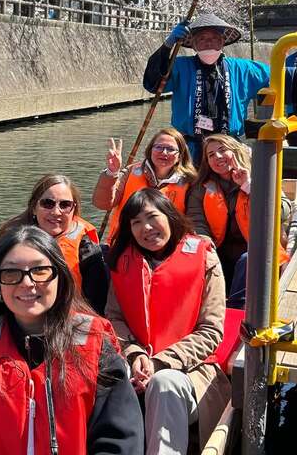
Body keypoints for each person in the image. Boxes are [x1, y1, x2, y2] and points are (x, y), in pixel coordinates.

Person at [0, 225, 144, 455]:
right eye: (11, 273)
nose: (27, 283)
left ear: (60, 276)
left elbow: (120, 440)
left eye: (40, 270)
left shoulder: (98, 346)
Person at [105, 191, 230, 455]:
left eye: (152, 217)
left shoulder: (204, 257)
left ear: (170, 216)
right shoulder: (123, 262)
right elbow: (113, 319)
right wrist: (135, 354)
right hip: (136, 366)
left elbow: (212, 330)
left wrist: (159, 362)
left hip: (191, 373)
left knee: (164, 383)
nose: (146, 228)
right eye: (136, 222)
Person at [143, 13, 270, 163]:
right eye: (202, 39)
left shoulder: (243, 68)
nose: (208, 43)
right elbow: (153, 83)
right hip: (189, 149)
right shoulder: (180, 66)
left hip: (229, 147)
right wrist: (167, 45)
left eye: (214, 38)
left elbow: (279, 77)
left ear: (223, 42)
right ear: (194, 44)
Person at [0, 173, 109, 313]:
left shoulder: (87, 250)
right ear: (33, 207)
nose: (56, 212)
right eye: (48, 203)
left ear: (73, 209)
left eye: (65, 205)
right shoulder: (9, 239)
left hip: (69, 325)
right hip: (15, 321)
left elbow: (97, 305)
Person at [186, 135, 289, 309]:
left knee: (248, 260)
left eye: (222, 150)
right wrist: (206, 242)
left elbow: (283, 211)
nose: (217, 157)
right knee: (200, 256)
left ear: (235, 151)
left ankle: (234, 310)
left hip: (254, 250)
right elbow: (196, 220)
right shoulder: (201, 187)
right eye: (211, 155)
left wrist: (248, 186)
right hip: (220, 250)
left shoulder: (260, 175)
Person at [92, 128, 197, 245]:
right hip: (125, 244)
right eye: (159, 147)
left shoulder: (190, 182)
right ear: (150, 150)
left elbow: (195, 221)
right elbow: (103, 204)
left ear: (180, 155)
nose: (164, 152)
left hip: (166, 248)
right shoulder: (131, 171)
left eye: (171, 149)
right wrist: (111, 173)